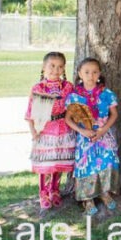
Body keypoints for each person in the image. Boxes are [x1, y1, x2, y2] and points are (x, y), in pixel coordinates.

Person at [66, 57, 119, 217]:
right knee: (86, 165)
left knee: (107, 161)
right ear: (80, 74)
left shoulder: (106, 93)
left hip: (104, 134)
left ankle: (104, 192)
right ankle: (87, 199)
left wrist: (103, 130)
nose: (91, 75)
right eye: (87, 72)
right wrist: (82, 131)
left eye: (94, 72)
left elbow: (114, 114)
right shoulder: (74, 96)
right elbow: (68, 119)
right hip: (85, 137)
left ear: (100, 74)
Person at [25, 51, 75, 210]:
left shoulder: (67, 87)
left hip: (63, 128)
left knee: (58, 161)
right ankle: (43, 192)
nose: (56, 70)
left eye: (60, 67)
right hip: (45, 129)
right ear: (43, 67)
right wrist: (33, 131)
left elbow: (73, 107)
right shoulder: (38, 88)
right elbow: (31, 112)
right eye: (52, 66)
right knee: (46, 162)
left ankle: (55, 190)